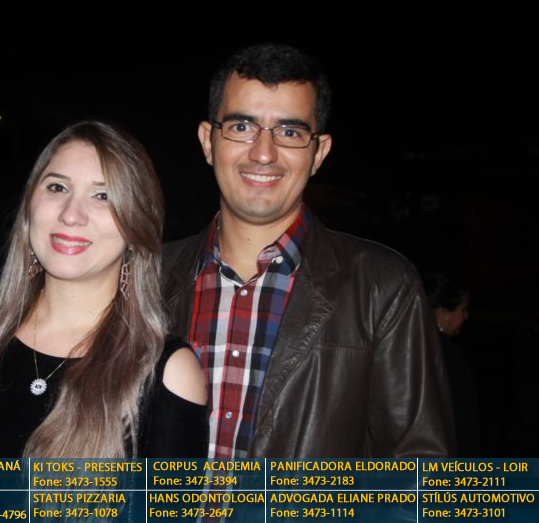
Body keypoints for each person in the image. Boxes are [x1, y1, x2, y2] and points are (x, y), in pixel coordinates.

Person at [162, 43, 454, 458]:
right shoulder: (146, 277)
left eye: (290, 132)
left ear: (319, 153)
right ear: (209, 142)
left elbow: (419, 471)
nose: (263, 153)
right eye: (242, 126)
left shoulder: (383, 288)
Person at [0, 120, 207, 458]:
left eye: (102, 195)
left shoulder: (167, 376)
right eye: (57, 187)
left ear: (136, 228)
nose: (71, 215)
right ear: (29, 209)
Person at [423, 271, 480, 456]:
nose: (466, 316)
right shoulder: (444, 354)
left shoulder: (416, 347)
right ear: (442, 313)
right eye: (462, 309)